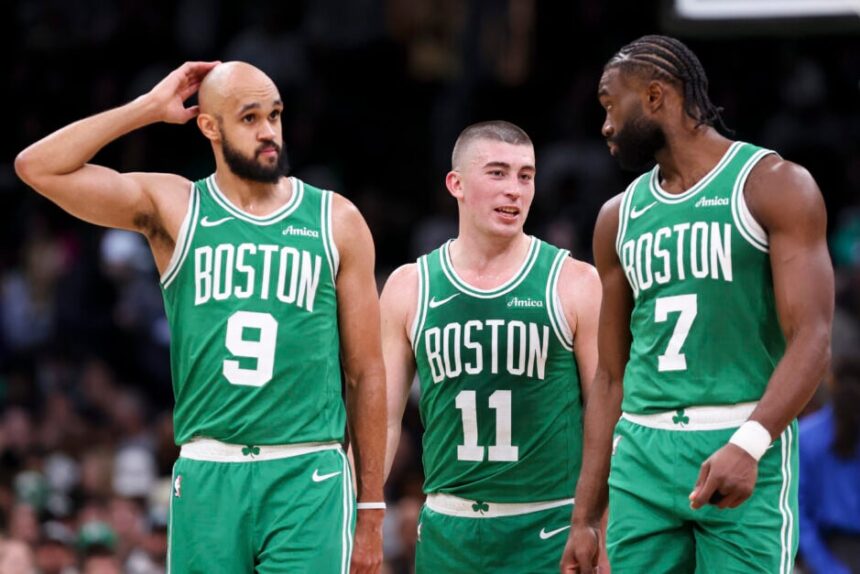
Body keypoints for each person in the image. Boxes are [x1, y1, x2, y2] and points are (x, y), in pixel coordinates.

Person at [15, 61, 386, 574]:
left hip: (308, 471)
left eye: (275, 115)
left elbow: (366, 371)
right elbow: (37, 166)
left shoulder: (335, 219)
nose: (268, 131)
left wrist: (371, 508)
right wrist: (147, 108)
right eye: (250, 118)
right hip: (210, 468)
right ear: (209, 126)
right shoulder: (177, 206)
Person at [561, 35, 833, 574]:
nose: (606, 126)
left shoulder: (773, 185)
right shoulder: (617, 217)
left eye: (611, 105)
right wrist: (585, 517)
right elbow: (609, 377)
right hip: (641, 452)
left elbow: (814, 338)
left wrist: (750, 443)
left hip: (739, 435)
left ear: (655, 97)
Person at [381, 121, 601, 573]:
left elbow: (608, 418)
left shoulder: (575, 281)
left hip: (549, 527)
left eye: (526, 175)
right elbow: (381, 421)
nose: (514, 190)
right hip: (448, 528)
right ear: (456, 184)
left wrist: (604, 527)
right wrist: (359, 514)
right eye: (498, 173)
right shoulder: (409, 286)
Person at [798, 358, 860, 574]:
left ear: (830, 382)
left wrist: (827, 568)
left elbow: (799, 514)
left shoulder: (806, 436)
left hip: (824, 553)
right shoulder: (808, 437)